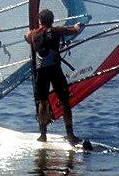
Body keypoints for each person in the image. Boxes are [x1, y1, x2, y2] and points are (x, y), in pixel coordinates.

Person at [25, 8, 84, 145]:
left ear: (40, 21)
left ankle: (43, 135)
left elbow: (27, 37)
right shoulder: (57, 30)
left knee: (43, 102)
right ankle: (70, 135)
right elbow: (75, 30)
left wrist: (28, 33)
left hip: (41, 72)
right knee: (64, 101)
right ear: (52, 20)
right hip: (55, 71)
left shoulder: (33, 34)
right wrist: (78, 26)